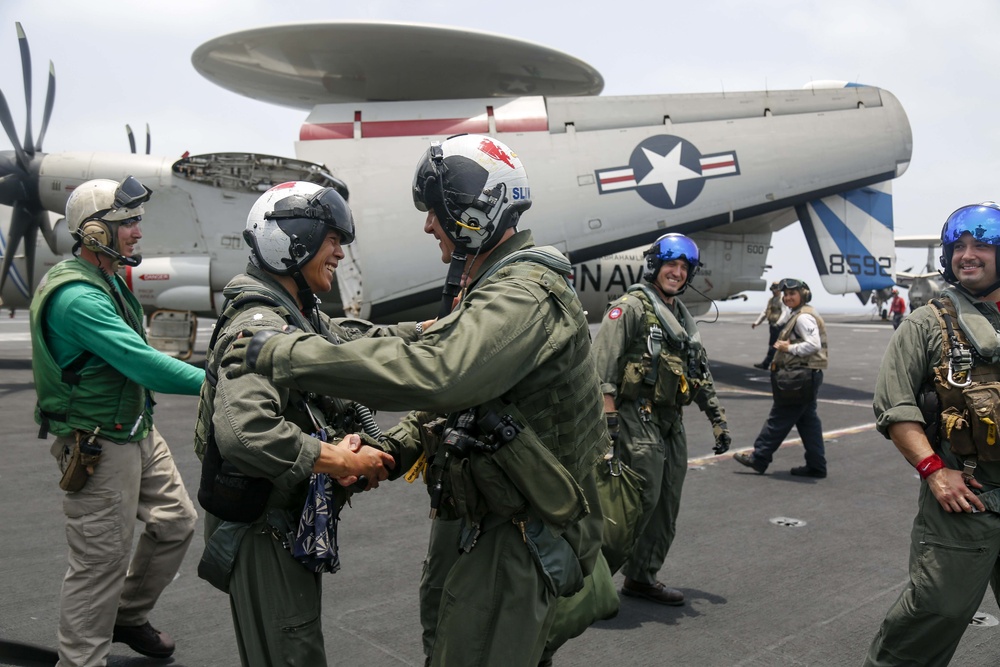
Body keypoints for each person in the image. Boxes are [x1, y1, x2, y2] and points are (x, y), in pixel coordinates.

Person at [223, 134, 607, 666]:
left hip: (519, 529)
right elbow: (447, 392)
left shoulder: (521, 293)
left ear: (470, 211)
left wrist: (284, 354)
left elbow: (441, 374)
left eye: (434, 211)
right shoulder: (491, 286)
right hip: (486, 519)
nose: (429, 224)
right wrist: (394, 450)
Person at [194, 181, 397, 666]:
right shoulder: (261, 326)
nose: (339, 251)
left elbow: (349, 343)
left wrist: (431, 333)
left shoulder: (298, 317)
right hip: (262, 531)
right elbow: (247, 432)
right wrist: (336, 459)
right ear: (294, 243)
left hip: (279, 522)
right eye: (331, 239)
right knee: (292, 654)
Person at [29, 176, 202, 665]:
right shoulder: (78, 298)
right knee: (100, 562)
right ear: (96, 233)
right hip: (98, 443)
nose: (137, 232)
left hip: (134, 429)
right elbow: (142, 363)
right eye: (127, 223)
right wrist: (216, 381)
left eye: (137, 221)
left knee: (175, 524)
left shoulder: (103, 279)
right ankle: (81, 660)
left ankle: (126, 615)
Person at [863, 202, 1000, 666]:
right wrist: (934, 471)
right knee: (935, 613)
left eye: (981, 245)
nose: (968, 254)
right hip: (966, 497)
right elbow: (895, 406)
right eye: (959, 246)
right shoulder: (927, 322)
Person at [591, 233, 731, 606]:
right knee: (636, 502)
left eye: (684, 267)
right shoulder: (631, 307)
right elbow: (600, 364)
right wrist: (608, 420)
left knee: (667, 503)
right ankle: (591, 581)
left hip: (670, 420)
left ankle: (641, 577)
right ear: (656, 265)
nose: (678, 272)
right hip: (635, 417)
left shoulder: (682, 319)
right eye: (671, 264)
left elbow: (697, 373)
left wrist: (718, 419)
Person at [733, 278, 828, 478]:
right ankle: (817, 464)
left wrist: (788, 348)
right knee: (808, 421)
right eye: (786, 295)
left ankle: (759, 458)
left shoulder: (803, 317)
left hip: (799, 377)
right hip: (807, 375)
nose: (787, 297)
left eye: (792, 294)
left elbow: (813, 344)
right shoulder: (800, 314)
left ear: (803, 294)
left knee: (780, 417)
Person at [752, 281, 789, 369]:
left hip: (779, 327)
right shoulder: (771, 300)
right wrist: (757, 322)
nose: (773, 291)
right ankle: (773, 364)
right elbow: (765, 312)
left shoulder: (782, 300)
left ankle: (768, 364)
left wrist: (778, 323)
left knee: (775, 346)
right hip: (773, 326)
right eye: (773, 289)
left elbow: (785, 313)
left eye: (775, 289)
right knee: (774, 346)